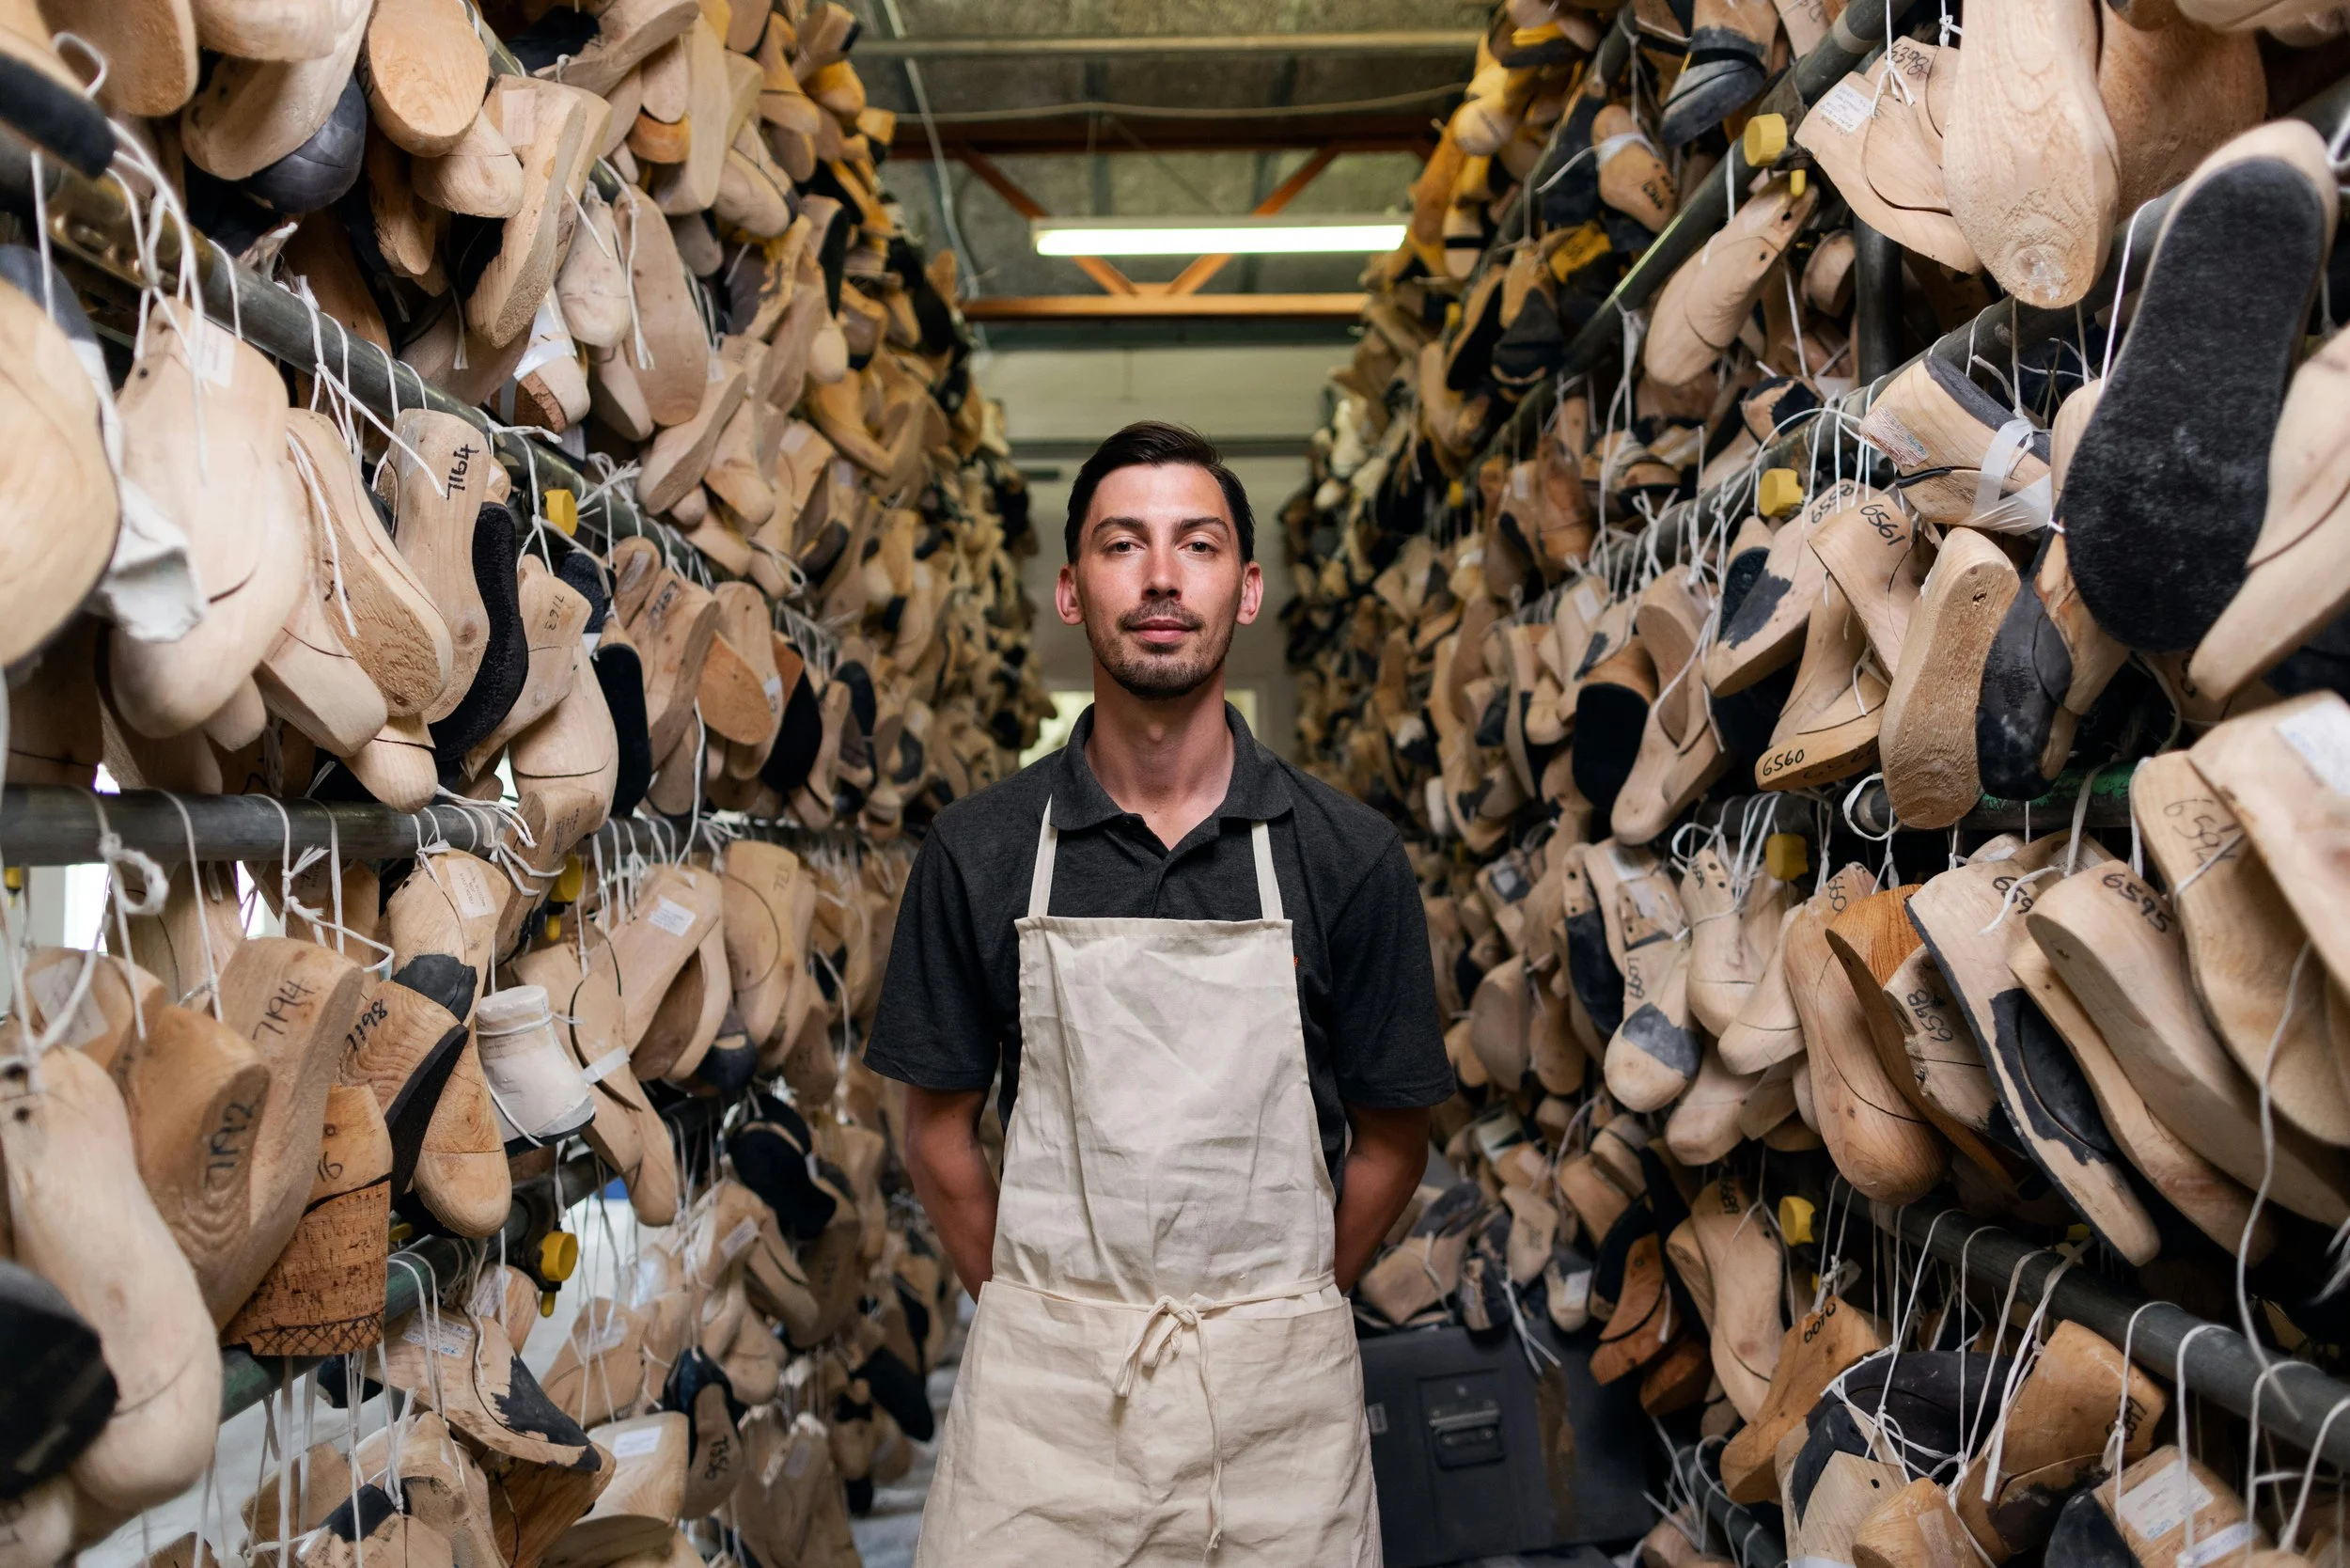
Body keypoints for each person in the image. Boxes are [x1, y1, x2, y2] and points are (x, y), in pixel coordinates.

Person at [866, 421, 1449, 1564]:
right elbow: (934, 1131)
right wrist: (1045, 1314)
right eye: (1122, 545)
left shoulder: (1346, 855)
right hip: (1044, 1420)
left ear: (1246, 589)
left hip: (1278, 1414)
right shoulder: (979, 851)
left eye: (1199, 544)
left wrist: (1282, 1311)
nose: (1162, 577)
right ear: (1071, 592)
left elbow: (1394, 1138)